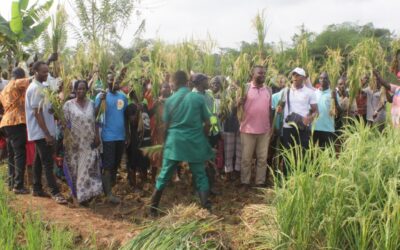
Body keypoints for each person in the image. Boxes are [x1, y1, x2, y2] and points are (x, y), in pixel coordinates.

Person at [150, 71, 214, 216]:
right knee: (200, 175)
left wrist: (165, 143)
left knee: (164, 174)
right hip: (194, 142)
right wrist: (202, 137)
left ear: (174, 83)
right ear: (187, 82)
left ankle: (153, 209)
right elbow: (208, 122)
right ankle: (206, 208)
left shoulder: (170, 101)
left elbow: (165, 126)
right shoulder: (197, 99)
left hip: (175, 143)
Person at [25, 61, 67, 204]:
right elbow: (37, 114)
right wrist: (47, 134)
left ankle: (37, 188)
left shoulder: (42, 86)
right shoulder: (34, 89)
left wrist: (59, 89)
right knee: (48, 162)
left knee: (38, 160)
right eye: (43, 72)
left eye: (47, 71)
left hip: (44, 131)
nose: (46, 74)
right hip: (41, 132)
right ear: (35, 72)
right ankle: (55, 192)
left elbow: (50, 99)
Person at [63, 80, 103, 205]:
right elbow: (64, 124)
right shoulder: (68, 105)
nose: (80, 91)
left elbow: (95, 121)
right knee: (76, 169)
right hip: (75, 143)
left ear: (87, 90)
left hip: (89, 142)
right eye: (78, 89)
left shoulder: (91, 103)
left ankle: (83, 196)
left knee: (87, 168)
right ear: (75, 90)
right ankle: (79, 194)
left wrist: (97, 136)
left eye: (83, 89)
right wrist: (67, 139)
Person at [95, 73, 128, 203]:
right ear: (106, 81)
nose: (114, 82)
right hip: (108, 137)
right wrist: (101, 100)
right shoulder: (101, 96)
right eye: (110, 80)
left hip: (120, 137)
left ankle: (110, 189)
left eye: (117, 80)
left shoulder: (123, 97)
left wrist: (127, 135)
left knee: (115, 164)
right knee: (107, 165)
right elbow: (95, 115)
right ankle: (108, 194)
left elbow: (125, 117)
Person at [238, 65, 272, 188]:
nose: (263, 75)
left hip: (264, 130)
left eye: (264, 73)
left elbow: (270, 109)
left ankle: (260, 182)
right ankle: (245, 182)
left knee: (262, 159)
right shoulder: (245, 88)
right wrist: (238, 103)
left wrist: (271, 127)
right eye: (260, 73)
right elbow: (236, 108)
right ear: (253, 74)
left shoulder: (268, 90)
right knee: (246, 159)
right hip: (247, 129)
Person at [280, 67, 318, 175]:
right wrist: (279, 109)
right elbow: (280, 106)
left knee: (303, 154)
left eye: (298, 75)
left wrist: (309, 119)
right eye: (293, 75)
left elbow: (316, 111)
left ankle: (301, 179)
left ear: (304, 78)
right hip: (288, 127)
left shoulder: (310, 92)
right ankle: (287, 180)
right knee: (288, 155)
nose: (295, 77)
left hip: (303, 128)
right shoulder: (286, 91)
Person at [0, 67, 30, 194]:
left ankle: (11, 181)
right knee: (19, 154)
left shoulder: (4, 89)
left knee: (12, 153)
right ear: (20, 76)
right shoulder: (16, 83)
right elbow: (32, 80)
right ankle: (18, 185)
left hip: (6, 123)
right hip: (16, 121)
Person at [313, 72, 340, 148]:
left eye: (325, 78)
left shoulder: (333, 93)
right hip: (315, 129)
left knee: (328, 155)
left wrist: (335, 99)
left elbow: (340, 111)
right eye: (321, 78)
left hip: (328, 129)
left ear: (329, 81)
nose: (323, 80)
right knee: (315, 154)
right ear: (319, 80)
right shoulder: (314, 93)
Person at [222, 81, 241, 182]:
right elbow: (223, 113)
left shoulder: (242, 95)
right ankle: (228, 173)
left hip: (241, 127)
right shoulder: (225, 96)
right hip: (228, 127)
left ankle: (237, 172)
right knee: (228, 152)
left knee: (239, 152)